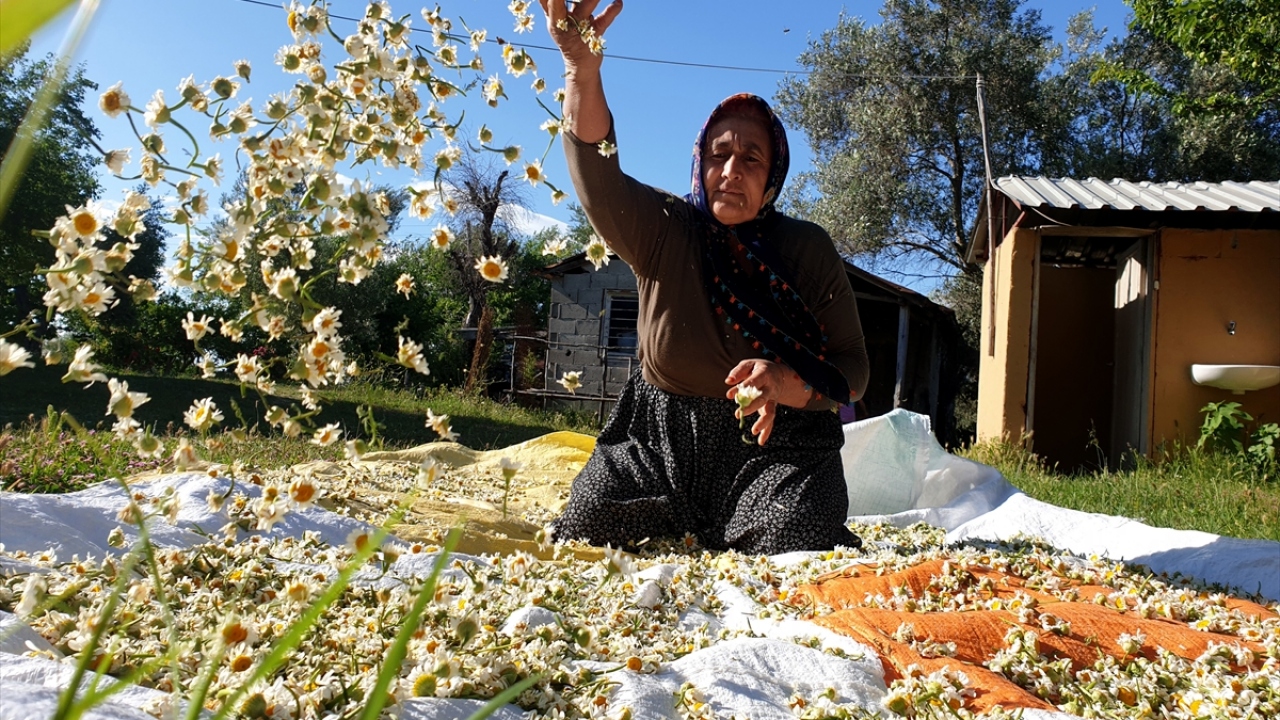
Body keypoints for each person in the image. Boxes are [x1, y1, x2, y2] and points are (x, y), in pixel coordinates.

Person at [540, 0, 870, 554]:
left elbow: (854, 371)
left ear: (772, 181)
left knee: (797, 542)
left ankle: (754, 519)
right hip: (659, 443)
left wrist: (784, 382)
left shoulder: (806, 248)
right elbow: (598, 172)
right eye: (718, 156)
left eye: (751, 160)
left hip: (778, 448)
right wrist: (581, 70)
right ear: (699, 163)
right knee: (586, 529)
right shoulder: (668, 228)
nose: (731, 172)